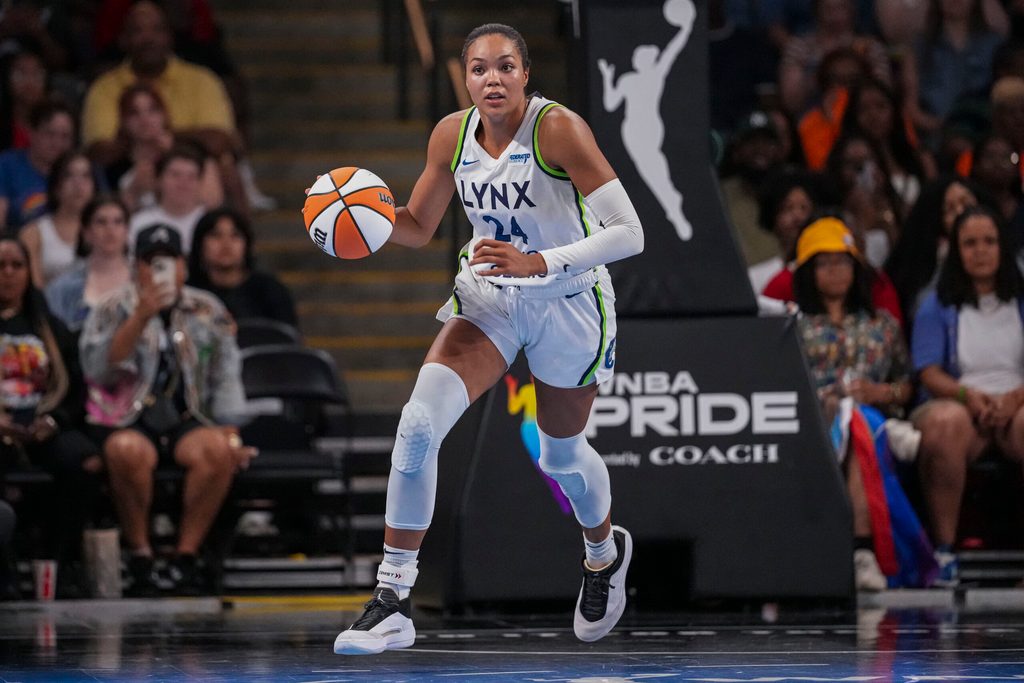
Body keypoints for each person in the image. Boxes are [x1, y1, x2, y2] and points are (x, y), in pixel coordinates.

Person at [332, 23, 643, 655]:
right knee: (418, 424)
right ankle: (392, 598)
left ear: (526, 76)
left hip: (568, 299)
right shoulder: (451, 133)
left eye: (505, 67)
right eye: (478, 69)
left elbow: (629, 231)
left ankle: (604, 554)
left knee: (560, 457)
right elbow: (418, 225)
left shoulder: (558, 130)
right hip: (490, 298)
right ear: (466, 77)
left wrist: (543, 261)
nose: (491, 79)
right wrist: (358, 218)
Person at [80, 224, 255, 595]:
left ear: (183, 266)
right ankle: (141, 556)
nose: (159, 269)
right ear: (136, 267)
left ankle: (184, 558)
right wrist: (140, 316)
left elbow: (227, 375)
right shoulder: (111, 308)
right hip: (128, 417)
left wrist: (231, 430)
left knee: (216, 450)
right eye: (150, 261)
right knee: (126, 452)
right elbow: (98, 371)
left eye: (168, 259)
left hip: (190, 417)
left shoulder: (207, 308)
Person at [792, 217, 933, 591]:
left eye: (843, 261)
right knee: (848, 414)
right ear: (808, 271)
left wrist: (882, 393)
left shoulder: (882, 324)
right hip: (815, 430)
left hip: (870, 428)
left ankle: (864, 552)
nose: (836, 270)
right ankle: (863, 550)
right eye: (824, 262)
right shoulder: (793, 324)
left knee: (859, 424)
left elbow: (908, 385)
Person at [911, 205, 1024, 587]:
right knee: (944, 425)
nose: (980, 251)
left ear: (1003, 247)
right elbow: (928, 371)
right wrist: (967, 394)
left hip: (1017, 401)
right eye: (970, 243)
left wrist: (1015, 398)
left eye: (989, 242)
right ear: (956, 250)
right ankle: (944, 553)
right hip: (959, 401)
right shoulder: (936, 303)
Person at [0, 237, 101, 597]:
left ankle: (59, 561)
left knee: (84, 461)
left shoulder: (49, 327)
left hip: (42, 422)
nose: (8, 274)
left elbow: (76, 389)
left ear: (29, 272)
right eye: (1, 266)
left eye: (17, 265)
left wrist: (53, 421)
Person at [81, 0, 249, 211]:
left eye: (157, 30)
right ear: (123, 39)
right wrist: (141, 149)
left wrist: (164, 138)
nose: (148, 38)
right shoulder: (103, 87)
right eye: (138, 31)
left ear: (170, 37)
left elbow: (220, 140)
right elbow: (98, 152)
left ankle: (236, 237)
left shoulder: (202, 80)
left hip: (197, 175)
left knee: (224, 162)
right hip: (124, 175)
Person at [105, 83, 224, 214]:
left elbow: (213, 201)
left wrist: (174, 155)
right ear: (123, 121)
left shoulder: (196, 152)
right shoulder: (114, 166)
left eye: (152, 110)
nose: (144, 119)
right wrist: (134, 190)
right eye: (134, 113)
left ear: (164, 114)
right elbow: (112, 217)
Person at [886, 176, 982, 322]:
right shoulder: (924, 263)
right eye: (949, 209)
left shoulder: (999, 248)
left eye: (966, 203)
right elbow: (921, 312)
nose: (960, 212)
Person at [187, 208, 297, 327]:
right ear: (200, 244)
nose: (226, 244)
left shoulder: (270, 291)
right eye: (216, 235)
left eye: (235, 235)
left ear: (247, 244)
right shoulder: (188, 293)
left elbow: (289, 339)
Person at [45, 196, 132, 333]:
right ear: (86, 232)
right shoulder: (62, 288)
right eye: (101, 222)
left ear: (127, 231)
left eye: (118, 222)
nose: (110, 229)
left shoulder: (144, 281)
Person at [19, 151, 97, 288]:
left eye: (86, 176)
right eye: (69, 175)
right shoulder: (33, 233)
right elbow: (34, 291)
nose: (78, 184)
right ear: (56, 186)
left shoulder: (107, 228)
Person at [0, 100, 75, 231]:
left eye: (65, 136)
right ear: (31, 132)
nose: (57, 143)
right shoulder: (7, 164)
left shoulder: (83, 170)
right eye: (50, 134)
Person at [128, 144, 208, 254]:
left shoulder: (210, 223)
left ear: (200, 182)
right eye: (175, 175)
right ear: (159, 179)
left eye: (191, 177)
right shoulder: (139, 223)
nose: (183, 184)